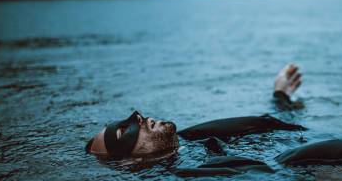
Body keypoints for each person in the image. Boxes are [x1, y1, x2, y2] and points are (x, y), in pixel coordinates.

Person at [85, 64, 303, 158]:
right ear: (126, 161)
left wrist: (280, 96)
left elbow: (261, 122)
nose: (137, 116)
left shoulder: (190, 139)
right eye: (123, 131)